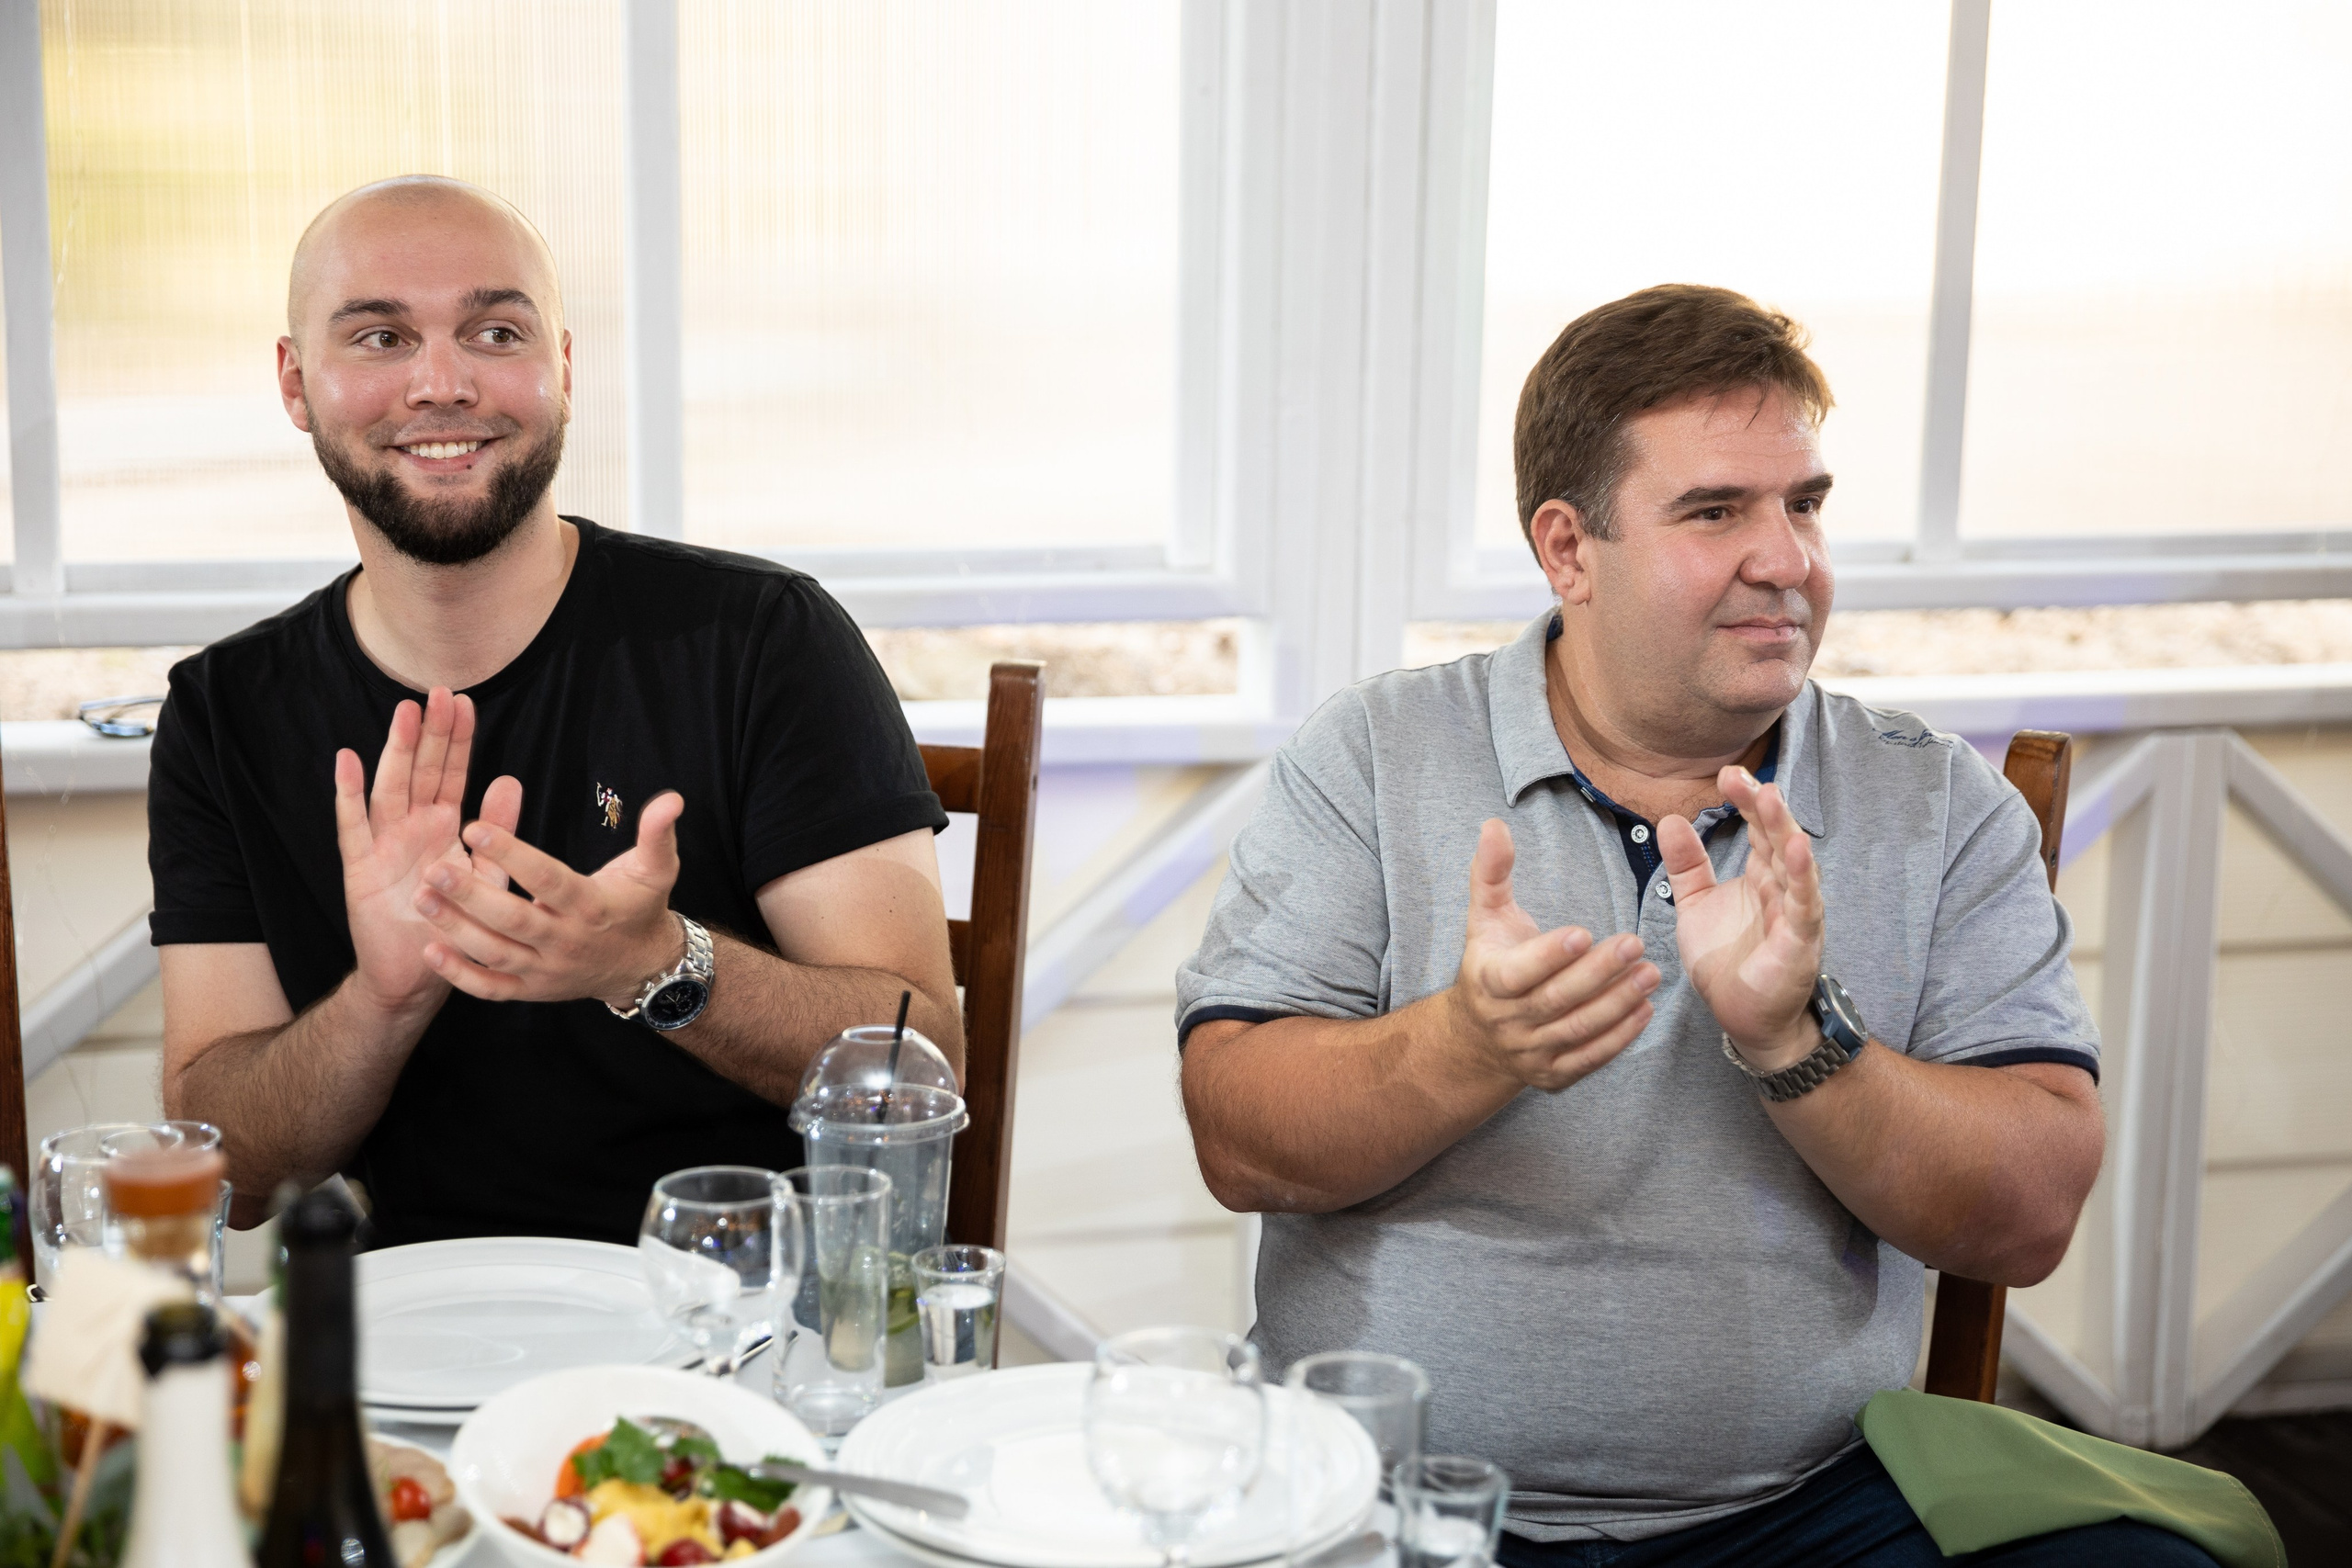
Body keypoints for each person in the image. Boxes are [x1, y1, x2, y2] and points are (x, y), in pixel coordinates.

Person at [1178, 287, 2212, 1564]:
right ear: (1569, 550)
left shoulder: (1936, 800)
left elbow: (2028, 1215)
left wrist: (1797, 1042)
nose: (1787, 559)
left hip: (1812, 1505)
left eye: (1806, 503)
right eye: (1717, 510)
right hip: (1397, 1497)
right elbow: (1236, 1132)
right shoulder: (1374, 754)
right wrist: (1471, 1043)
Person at [152, 176, 960, 1246]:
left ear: (562, 368)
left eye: (494, 330)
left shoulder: (760, 637)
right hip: (413, 1334)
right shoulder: (224, 712)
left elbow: (922, 1059)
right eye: (381, 337)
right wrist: (383, 999)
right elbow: (233, 1175)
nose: (441, 385)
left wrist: (655, 963)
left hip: (743, 1318)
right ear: (297, 384)